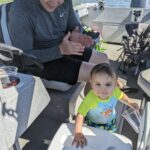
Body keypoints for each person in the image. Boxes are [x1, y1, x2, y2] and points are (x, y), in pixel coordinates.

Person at [8, 0, 108, 85]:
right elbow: (24, 58)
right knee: (99, 74)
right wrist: (60, 50)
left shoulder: (66, 2)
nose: (54, 4)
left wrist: (77, 35)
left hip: (65, 49)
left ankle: (93, 103)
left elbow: (75, 26)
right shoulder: (21, 9)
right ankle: (92, 105)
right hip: (40, 62)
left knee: (103, 59)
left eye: (59, 1)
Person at [72, 63, 139, 148]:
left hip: (110, 121)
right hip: (94, 123)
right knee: (96, 142)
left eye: (107, 84)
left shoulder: (115, 91)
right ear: (92, 84)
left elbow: (122, 96)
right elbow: (80, 114)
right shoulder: (90, 99)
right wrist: (78, 132)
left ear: (115, 84)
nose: (103, 89)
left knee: (108, 139)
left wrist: (130, 102)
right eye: (98, 84)